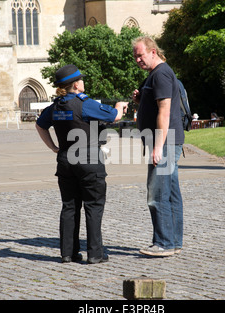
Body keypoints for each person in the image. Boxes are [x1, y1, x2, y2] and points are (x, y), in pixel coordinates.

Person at [35, 64, 128, 264]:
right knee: (93, 206)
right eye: (82, 79)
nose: (83, 82)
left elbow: (40, 125)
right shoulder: (84, 103)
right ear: (76, 84)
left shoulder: (56, 106)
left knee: (69, 206)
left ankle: (68, 253)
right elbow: (114, 116)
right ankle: (95, 254)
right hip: (88, 160)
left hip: (65, 160)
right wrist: (120, 105)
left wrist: (53, 147)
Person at [132, 36, 185, 257]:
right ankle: (173, 241)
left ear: (153, 52)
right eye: (135, 56)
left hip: (164, 142)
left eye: (140, 55)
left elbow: (165, 111)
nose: (137, 59)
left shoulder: (161, 73)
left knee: (157, 194)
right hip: (168, 141)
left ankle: (163, 243)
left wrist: (157, 147)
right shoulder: (157, 74)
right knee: (171, 192)